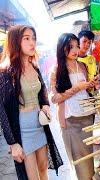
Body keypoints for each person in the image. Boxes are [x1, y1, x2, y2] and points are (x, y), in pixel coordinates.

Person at [0, 25, 62, 180]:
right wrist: (13, 143)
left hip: (40, 125)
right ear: (15, 41)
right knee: (31, 176)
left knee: (43, 169)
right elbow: (2, 110)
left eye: (33, 38)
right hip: (23, 130)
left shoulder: (34, 66)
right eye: (26, 38)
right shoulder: (6, 72)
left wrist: (46, 104)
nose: (32, 42)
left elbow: (43, 91)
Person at [49, 33, 99, 179]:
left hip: (87, 116)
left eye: (77, 46)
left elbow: (86, 89)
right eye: (71, 47)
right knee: (78, 160)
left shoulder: (82, 65)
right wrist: (76, 88)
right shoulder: (57, 69)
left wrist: (91, 84)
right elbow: (54, 98)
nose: (76, 50)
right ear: (62, 48)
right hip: (71, 121)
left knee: (88, 155)